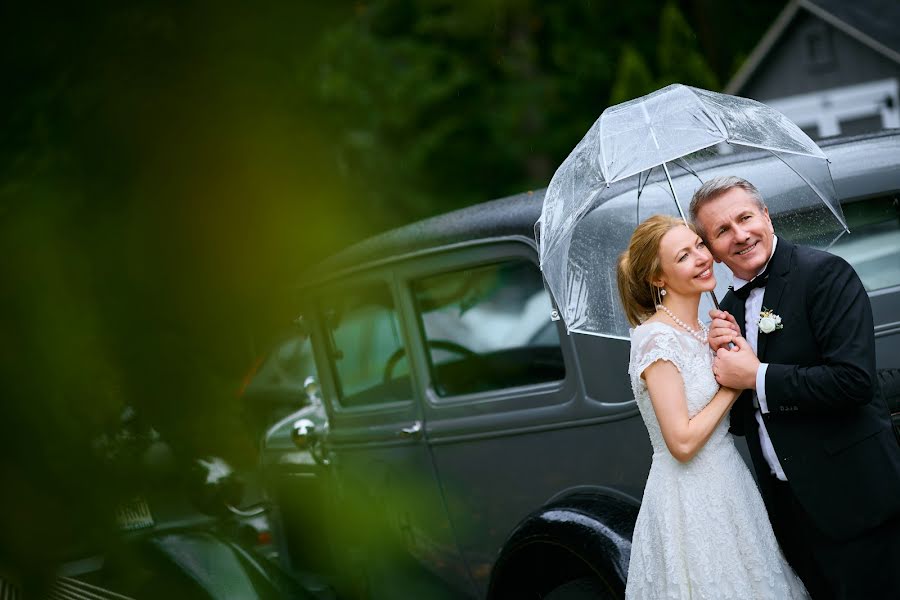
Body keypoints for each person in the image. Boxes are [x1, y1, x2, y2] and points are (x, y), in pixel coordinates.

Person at [691, 176, 900, 599]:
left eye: (745, 217)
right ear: (710, 249)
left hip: (857, 504)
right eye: (722, 231)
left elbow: (854, 382)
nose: (740, 235)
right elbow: (740, 424)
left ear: (766, 216)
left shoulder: (824, 275)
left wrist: (755, 375)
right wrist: (721, 365)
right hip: (789, 514)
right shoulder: (727, 311)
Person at [618, 214, 808, 599]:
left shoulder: (707, 330)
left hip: (731, 486)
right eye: (684, 256)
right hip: (689, 500)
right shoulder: (655, 340)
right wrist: (732, 385)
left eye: (699, 246)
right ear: (659, 278)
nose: (703, 258)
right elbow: (682, 443)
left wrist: (729, 348)